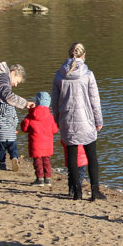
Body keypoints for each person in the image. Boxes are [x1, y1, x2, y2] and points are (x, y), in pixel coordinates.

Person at [51, 42, 104, 201]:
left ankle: (77, 192)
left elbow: (55, 100)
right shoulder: (88, 74)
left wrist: (57, 119)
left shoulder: (59, 75)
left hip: (67, 119)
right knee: (91, 156)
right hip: (86, 119)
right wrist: (98, 119)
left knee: (72, 156)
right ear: (83, 55)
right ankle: (95, 192)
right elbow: (95, 99)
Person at [20, 93, 59, 186]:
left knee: (37, 161)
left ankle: (40, 178)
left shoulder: (31, 115)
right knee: (46, 161)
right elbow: (55, 130)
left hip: (35, 143)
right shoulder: (50, 116)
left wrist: (29, 113)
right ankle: (48, 178)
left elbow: (24, 129)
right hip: (47, 143)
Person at [0, 101, 20, 171]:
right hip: (11, 134)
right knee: (13, 148)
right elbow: (16, 120)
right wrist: (13, 127)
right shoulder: (12, 108)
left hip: (1, 134)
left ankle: (2, 163)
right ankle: (14, 157)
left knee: (1, 150)